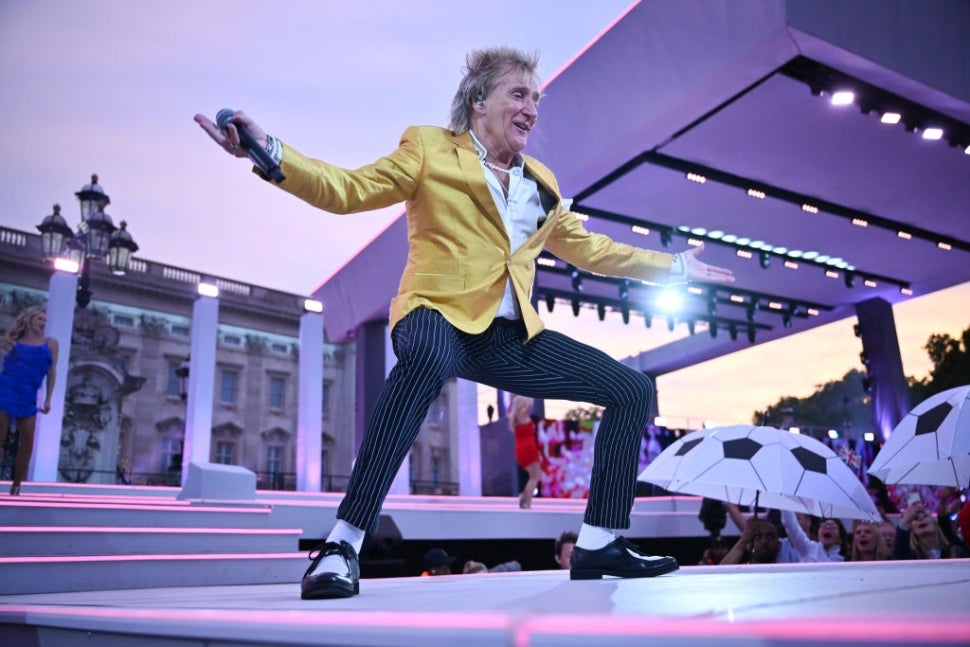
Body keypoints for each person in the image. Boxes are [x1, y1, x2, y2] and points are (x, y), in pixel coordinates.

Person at [195, 46, 734, 600]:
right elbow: (348, 189)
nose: (531, 109)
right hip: (436, 315)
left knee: (632, 389)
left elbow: (590, 249)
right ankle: (342, 544)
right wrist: (269, 151)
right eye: (518, 95)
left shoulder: (541, 182)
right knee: (428, 359)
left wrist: (674, 267)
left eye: (536, 99)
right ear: (479, 100)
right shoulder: (429, 147)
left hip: (508, 336)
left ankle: (599, 542)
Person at [0, 306, 59, 496]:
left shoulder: (51, 343)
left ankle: (16, 485)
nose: (43, 323)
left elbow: (51, 373)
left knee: (27, 441)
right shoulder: (14, 341)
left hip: (28, 395)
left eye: (45, 320)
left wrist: (48, 399)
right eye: (39, 319)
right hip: (6, 390)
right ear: (29, 320)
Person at [509, 394, 541, 509]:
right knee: (535, 477)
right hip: (527, 448)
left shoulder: (515, 417)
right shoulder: (521, 415)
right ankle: (527, 501)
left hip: (522, 448)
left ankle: (525, 498)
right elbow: (530, 404)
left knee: (534, 476)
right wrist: (529, 392)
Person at [780, 509, 847, 562]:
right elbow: (789, 522)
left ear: (841, 538)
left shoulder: (846, 560)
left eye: (832, 526)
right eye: (823, 525)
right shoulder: (808, 548)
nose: (827, 527)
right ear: (818, 535)